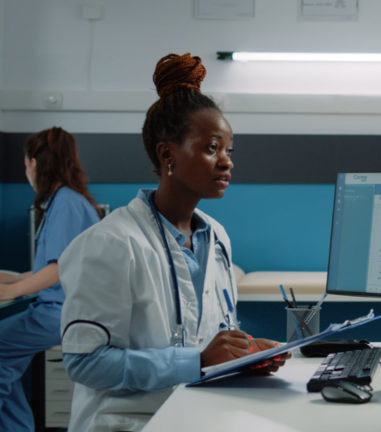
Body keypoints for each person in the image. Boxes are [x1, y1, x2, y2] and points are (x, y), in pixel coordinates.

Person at [58, 53, 287, 431]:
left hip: (198, 417)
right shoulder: (111, 243)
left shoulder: (215, 238)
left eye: (230, 150)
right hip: (129, 423)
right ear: (168, 154)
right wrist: (195, 361)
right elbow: (84, 362)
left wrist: (244, 352)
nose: (227, 162)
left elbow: (210, 337)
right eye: (212, 148)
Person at [0, 127, 102, 431]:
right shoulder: (66, 200)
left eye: (26, 164)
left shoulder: (66, 203)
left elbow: (58, 270)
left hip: (62, 315)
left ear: (35, 163)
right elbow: (49, 266)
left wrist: (10, 291)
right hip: (57, 310)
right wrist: (8, 280)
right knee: (6, 365)